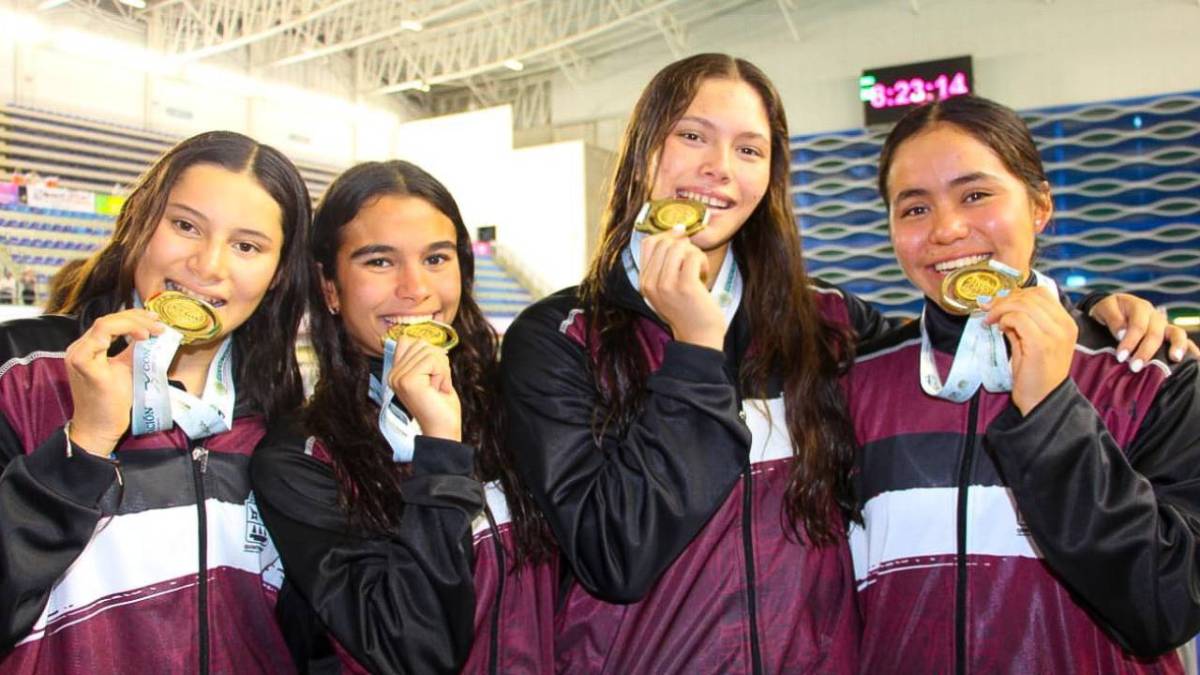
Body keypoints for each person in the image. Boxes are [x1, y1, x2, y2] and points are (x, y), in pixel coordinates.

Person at [501, 53, 1195, 673]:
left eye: (750, 147)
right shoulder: (559, 335)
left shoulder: (826, 325)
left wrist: (1096, 309)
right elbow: (613, 555)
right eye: (692, 135)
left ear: (770, 175)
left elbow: (957, 319)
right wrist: (694, 348)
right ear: (642, 150)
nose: (719, 167)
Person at [848, 95, 1200, 673]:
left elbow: (1164, 605)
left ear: (1039, 206)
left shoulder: (1149, 372)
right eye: (913, 209)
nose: (946, 229)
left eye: (976, 195)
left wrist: (1051, 412)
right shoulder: (856, 380)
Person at [0, 130, 311, 673]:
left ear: (279, 272)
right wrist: (85, 443)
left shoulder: (276, 418)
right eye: (185, 225)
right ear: (139, 222)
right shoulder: (22, 372)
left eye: (247, 246)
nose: (209, 265)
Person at [250, 161, 557, 675]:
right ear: (329, 287)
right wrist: (441, 452)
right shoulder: (300, 460)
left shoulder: (516, 405)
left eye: (437, 258)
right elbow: (413, 650)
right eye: (379, 262)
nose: (415, 289)